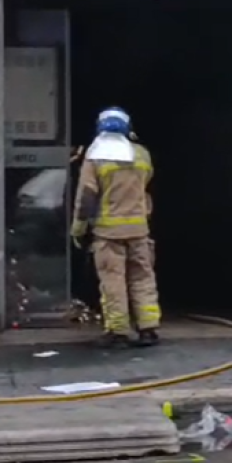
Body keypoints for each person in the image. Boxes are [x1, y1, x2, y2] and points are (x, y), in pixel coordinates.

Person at [71, 107, 161, 348]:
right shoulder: (141, 154)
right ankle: (148, 328)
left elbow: (87, 198)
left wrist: (78, 229)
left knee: (113, 281)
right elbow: (146, 184)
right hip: (139, 229)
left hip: (108, 232)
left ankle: (118, 331)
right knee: (142, 277)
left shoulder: (95, 156)